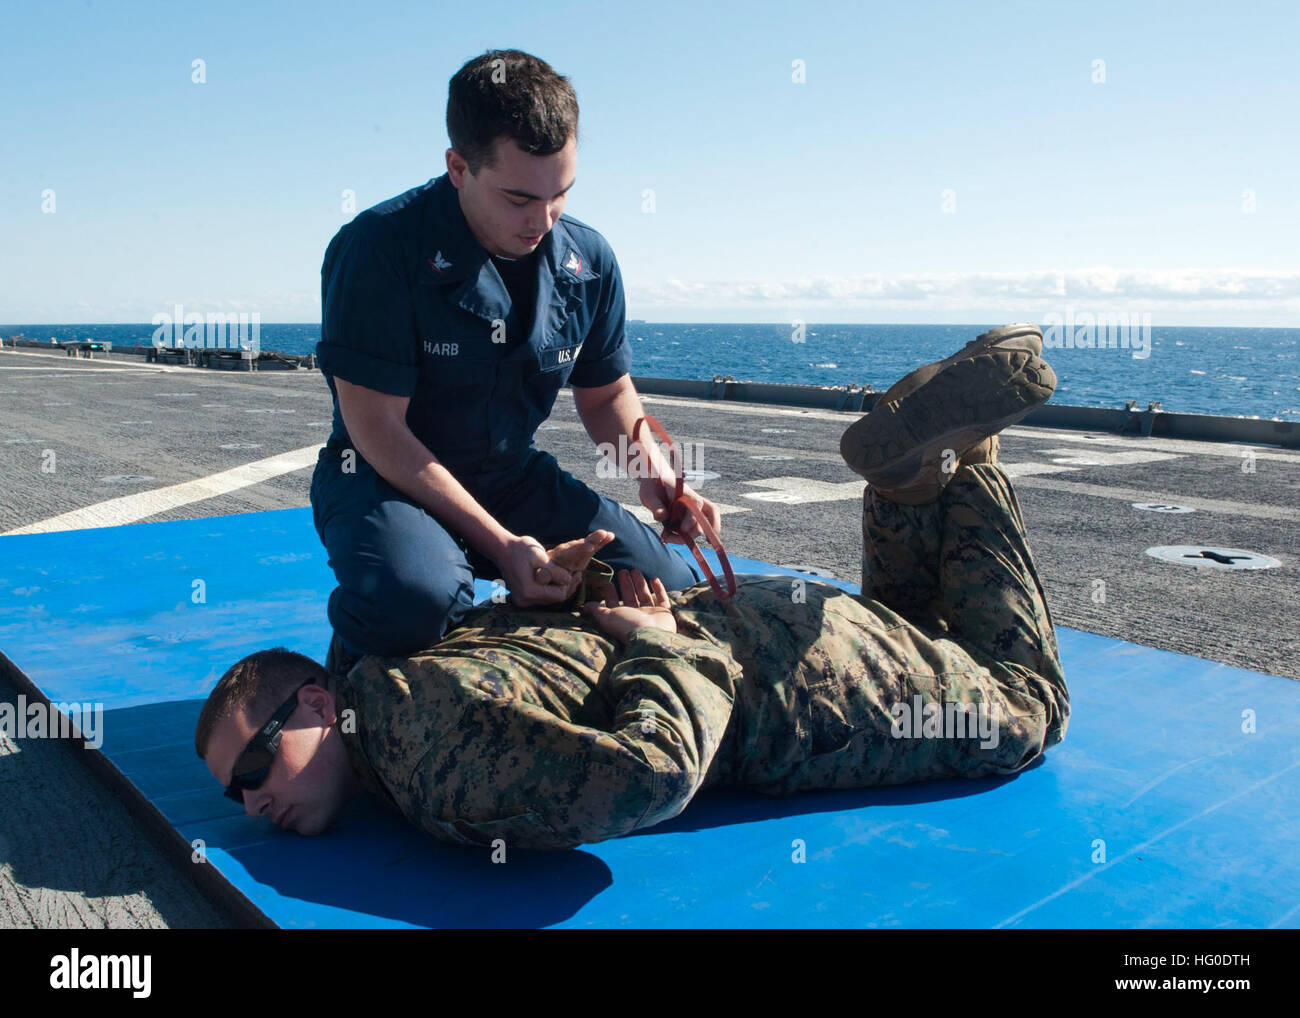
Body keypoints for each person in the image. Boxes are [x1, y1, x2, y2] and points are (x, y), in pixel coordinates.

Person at [198, 325, 1070, 850]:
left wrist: (655, 650)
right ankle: (915, 484)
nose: (251, 802)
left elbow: (652, 775)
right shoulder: (382, 660)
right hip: (769, 622)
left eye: (252, 765)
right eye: (237, 790)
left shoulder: (426, 762)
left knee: (1030, 710)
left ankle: (969, 467)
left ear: (316, 701)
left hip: (792, 699)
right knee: (912, 630)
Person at [311, 48, 718, 662]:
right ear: (457, 166)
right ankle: (355, 671)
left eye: (561, 194)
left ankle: (539, 625)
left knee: (672, 592)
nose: (544, 220)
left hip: (509, 476)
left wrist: (654, 474)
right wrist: (505, 548)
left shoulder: (589, 260)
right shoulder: (379, 250)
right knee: (416, 604)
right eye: (518, 198)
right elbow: (377, 428)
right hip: (384, 480)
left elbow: (606, 394)